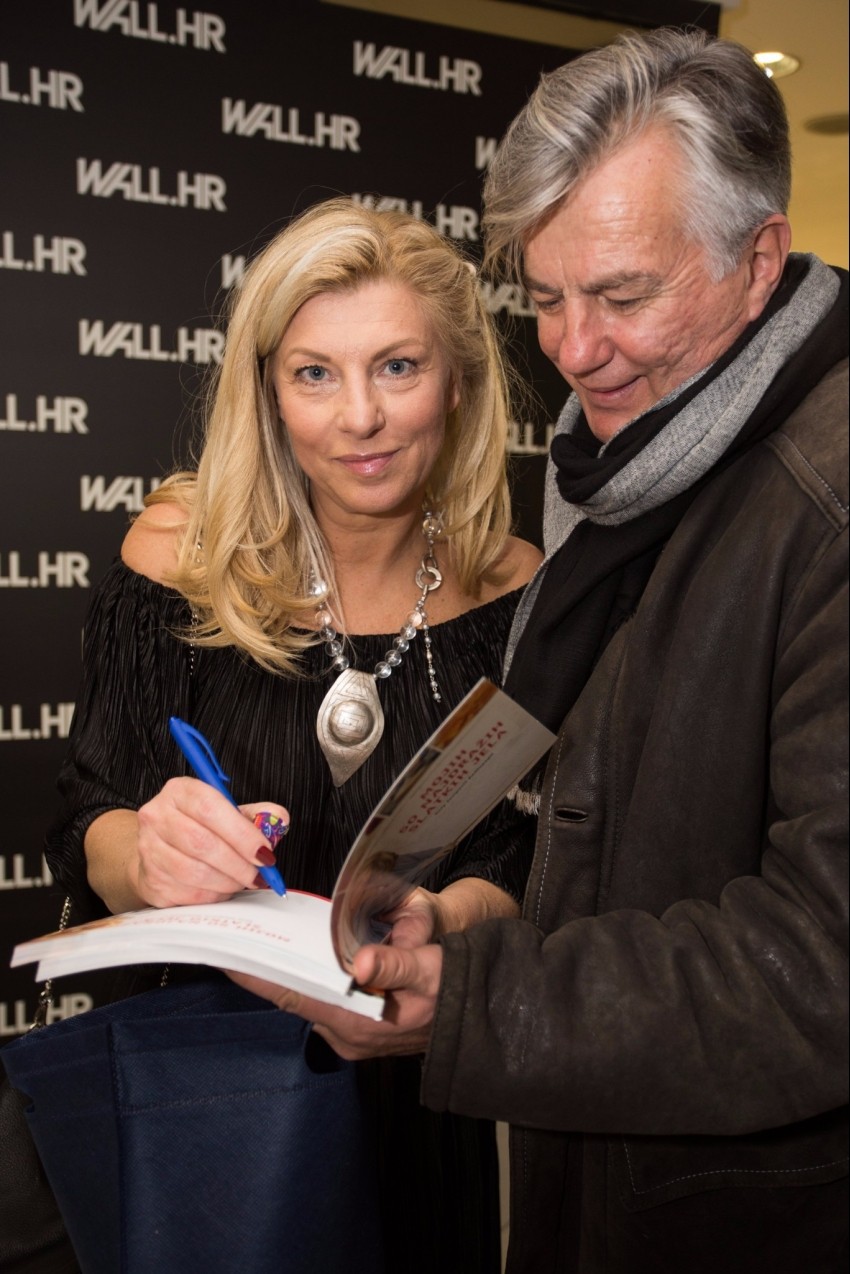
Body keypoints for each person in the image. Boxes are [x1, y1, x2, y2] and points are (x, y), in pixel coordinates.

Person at [237, 29, 849, 1274]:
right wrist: (463, 934)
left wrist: (476, 999)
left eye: (621, 296)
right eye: (546, 295)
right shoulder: (636, 466)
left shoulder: (821, 502)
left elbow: (819, 964)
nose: (571, 348)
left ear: (758, 261)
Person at [45, 197, 542, 1273]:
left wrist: (440, 917)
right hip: (198, 1104)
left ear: (458, 381)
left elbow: (524, 859)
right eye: (315, 373)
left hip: (416, 1100)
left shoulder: (521, 594)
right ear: (267, 390)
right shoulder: (178, 554)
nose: (360, 415)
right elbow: (88, 815)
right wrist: (149, 854)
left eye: (397, 366)